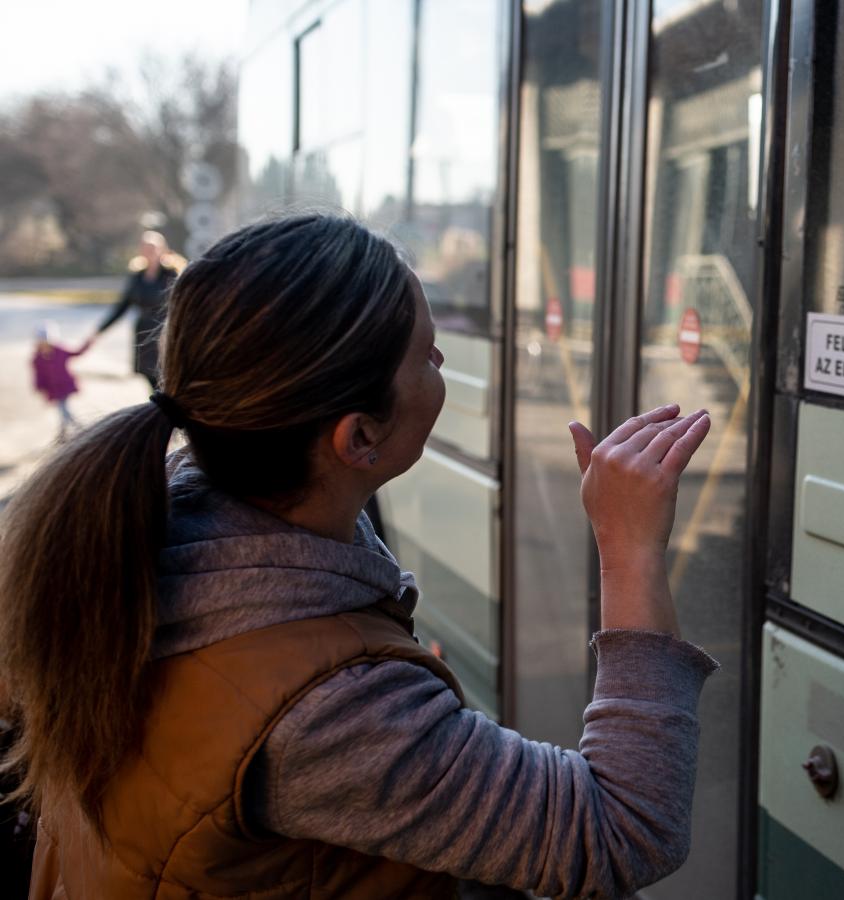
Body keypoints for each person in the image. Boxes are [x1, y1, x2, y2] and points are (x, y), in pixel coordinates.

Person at [0, 214, 718, 898]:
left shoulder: (157, 516)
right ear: (359, 440)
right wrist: (629, 550)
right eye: (426, 354)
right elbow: (625, 829)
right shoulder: (326, 706)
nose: (442, 361)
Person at [96, 230, 183, 389]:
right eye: (145, 248)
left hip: (164, 333)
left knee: (166, 379)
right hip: (143, 334)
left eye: (153, 248)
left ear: (161, 249)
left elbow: (183, 304)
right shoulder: (137, 277)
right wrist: (99, 331)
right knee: (150, 380)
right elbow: (122, 307)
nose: (149, 252)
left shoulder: (171, 275)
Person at [29, 323, 92, 439]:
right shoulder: (37, 359)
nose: (45, 345)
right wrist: (39, 387)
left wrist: (88, 343)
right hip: (53, 389)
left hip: (65, 385)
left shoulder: (60, 351)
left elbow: (77, 352)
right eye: (42, 343)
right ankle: (64, 433)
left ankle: (80, 429)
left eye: (47, 342)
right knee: (62, 410)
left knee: (64, 409)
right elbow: (38, 376)